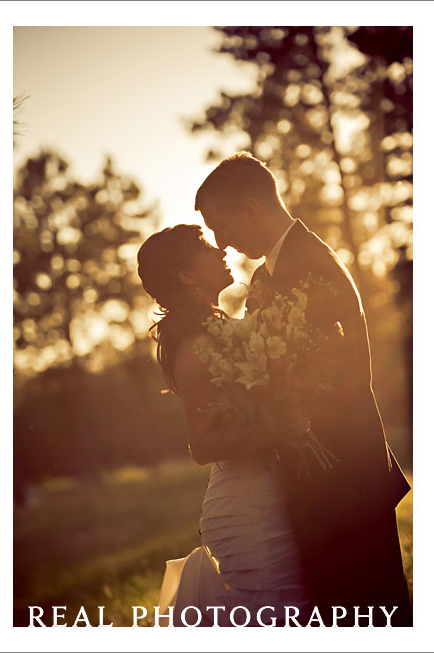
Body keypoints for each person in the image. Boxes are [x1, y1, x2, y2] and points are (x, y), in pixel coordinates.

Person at [194, 151, 413, 626]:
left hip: (343, 479)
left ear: (251, 208)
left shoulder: (308, 265)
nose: (220, 241)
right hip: (318, 480)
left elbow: (338, 376)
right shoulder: (271, 272)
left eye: (220, 224)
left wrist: (278, 418)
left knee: (367, 614)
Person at [137, 224, 312, 626]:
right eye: (204, 247)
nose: (219, 250)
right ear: (186, 275)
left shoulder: (222, 332)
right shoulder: (197, 348)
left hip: (269, 493)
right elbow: (202, 446)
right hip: (248, 508)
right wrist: (278, 424)